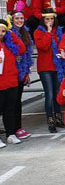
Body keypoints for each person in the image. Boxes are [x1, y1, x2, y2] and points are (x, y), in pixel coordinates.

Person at [34, 9, 65, 133]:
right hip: (45, 67)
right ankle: (50, 121)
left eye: (51, 19)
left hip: (56, 66)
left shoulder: (58, 31)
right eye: (47, 19)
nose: (50, 21)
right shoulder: (38, 32)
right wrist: (48, 32)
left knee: (57, 94)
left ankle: (58, 118)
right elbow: (43, 46)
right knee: (49, 95)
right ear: (43, 20)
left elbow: (62, 45)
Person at [0, 19, 26, 147]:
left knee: (10, 110)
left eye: (3, 31)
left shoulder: (9, 43)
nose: (1, 33)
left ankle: (11, 134)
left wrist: (11, 34)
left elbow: (21, 48)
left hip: (11, 82)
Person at [10, 7, 34, 140]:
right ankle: (12, 129)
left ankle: (18, 128)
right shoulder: (8, 33)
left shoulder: (25, 33)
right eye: (17, 18)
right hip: (10, 72)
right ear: (12, 20)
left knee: (17, 101)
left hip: (21, 72)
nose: (19, 21)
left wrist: (26, 73)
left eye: (21, 18)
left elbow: (27, 56)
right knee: (11, 102)